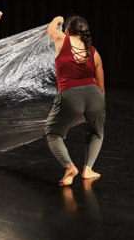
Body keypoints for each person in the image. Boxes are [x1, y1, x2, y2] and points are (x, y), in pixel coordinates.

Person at [44, 15, 105, 186]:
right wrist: (95, 109)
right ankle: (88, 169)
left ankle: (69, 166)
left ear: (68, 31)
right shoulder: (94, 53)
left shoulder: (63, 39)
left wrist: (57, 19)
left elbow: (50, 29)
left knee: (53, 133)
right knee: (97, 131)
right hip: (95, 96)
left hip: (70, 95)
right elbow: (101, 87)